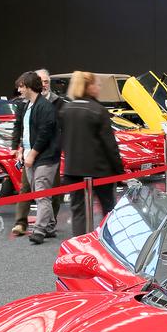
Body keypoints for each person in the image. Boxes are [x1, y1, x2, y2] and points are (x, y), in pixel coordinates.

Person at [60, 71, 124, 237]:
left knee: (78, 212)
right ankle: (108, 243)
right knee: (108, 209)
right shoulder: (98, 110)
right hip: (99, 170)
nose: (99, 87)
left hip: (73, 170)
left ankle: (81, 246)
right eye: (97, 84)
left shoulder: (66, 109)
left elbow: (64, 139)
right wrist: (119, 171)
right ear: (89, 87)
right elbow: (110, 145)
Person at [10, 68, 64, 237]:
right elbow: (23, 128)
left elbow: (45, 132)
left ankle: (40, 229)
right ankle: (45, 226)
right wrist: (20, 148)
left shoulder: (48, 106)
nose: (19, 90)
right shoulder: (27, 105)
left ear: (29, 86)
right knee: (36, 191)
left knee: (43, 193)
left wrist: (32, 153)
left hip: (45, 156)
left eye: (21, 86)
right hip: (31, 155)